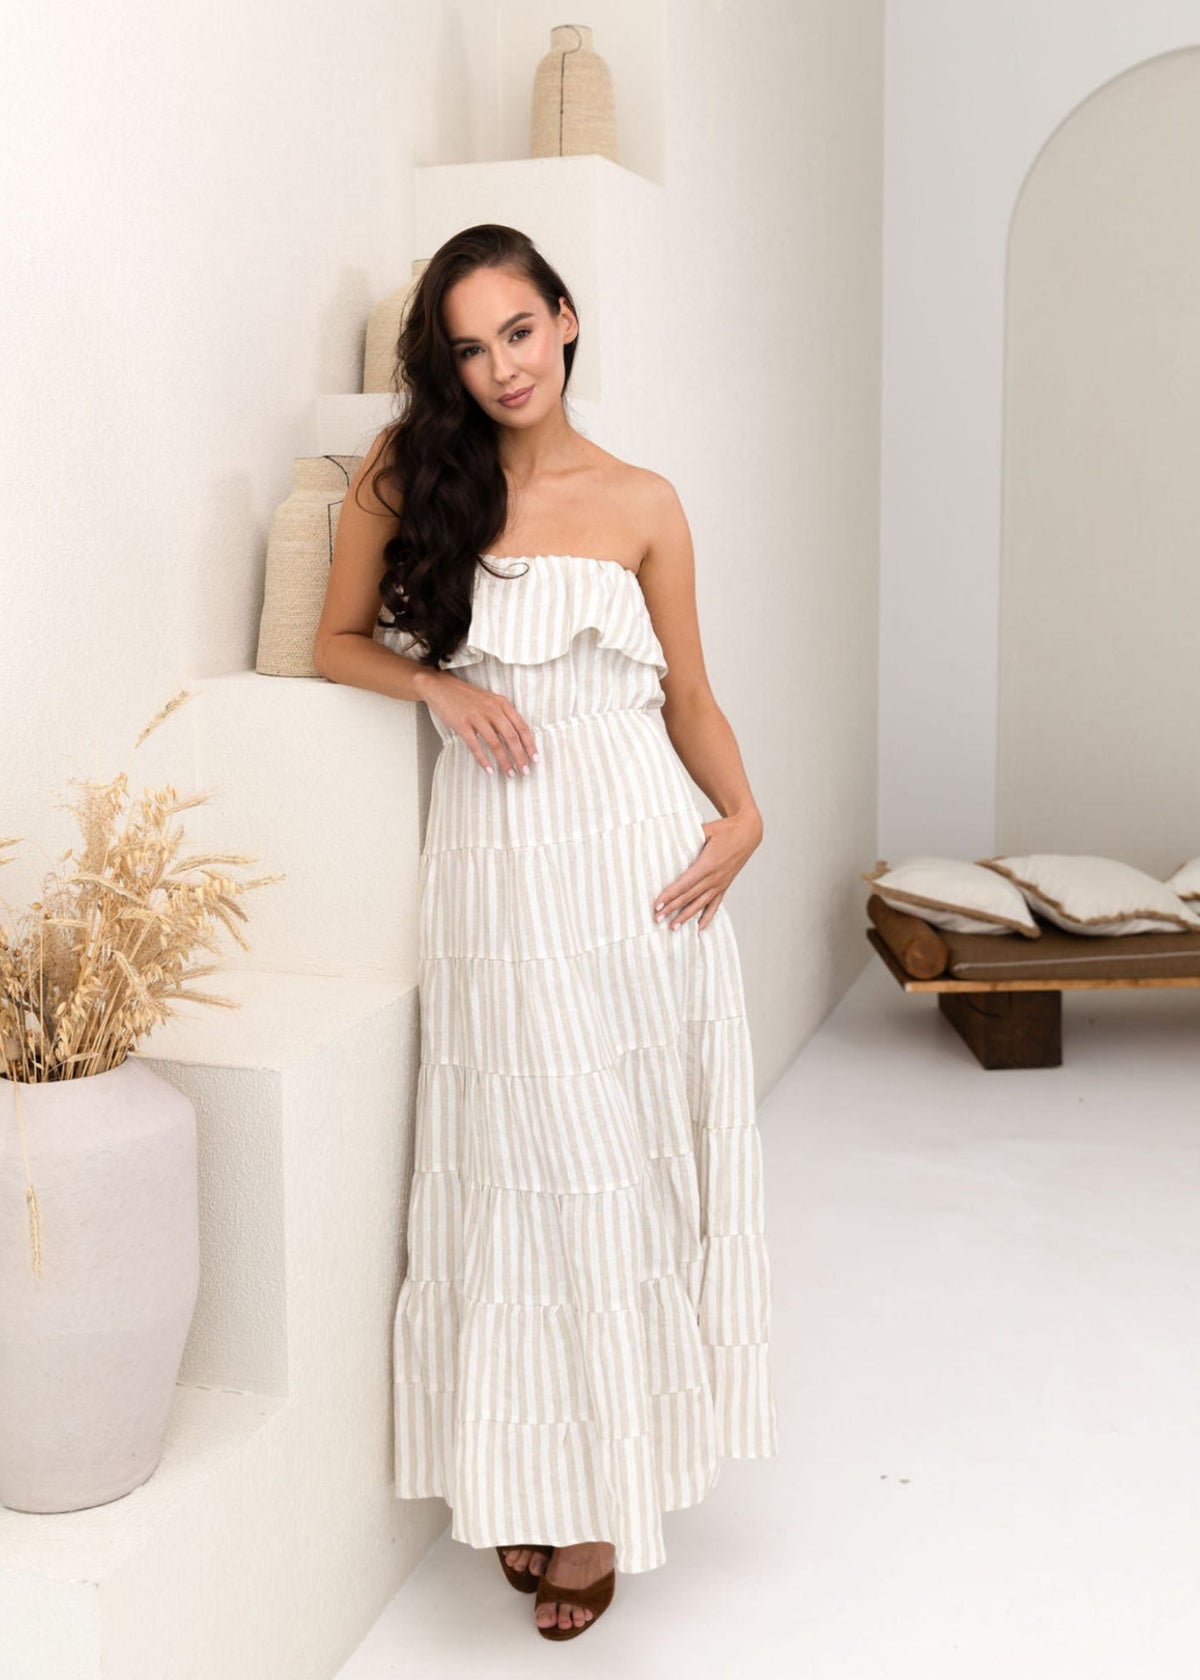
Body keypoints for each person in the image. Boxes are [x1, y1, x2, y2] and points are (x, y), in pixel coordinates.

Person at [313, 223, 778, 1641]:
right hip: (497, 862)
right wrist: (437, 691)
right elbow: (334, 641)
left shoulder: (643, 499)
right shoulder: (412, 479)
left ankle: (593, 1510)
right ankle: (527, 1457)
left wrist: (746, 817)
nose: (501, 365)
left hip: (634, 856)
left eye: (519, 329)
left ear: (566, 322)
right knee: (517, 1164)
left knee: (611, 1166)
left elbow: (687, 698)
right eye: (469, 344)